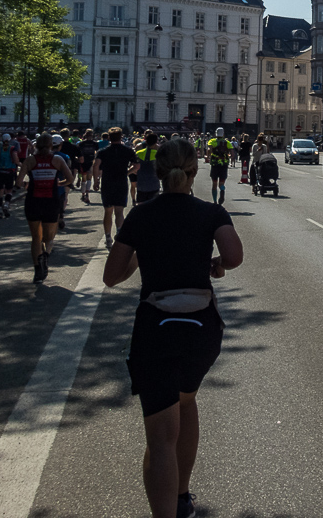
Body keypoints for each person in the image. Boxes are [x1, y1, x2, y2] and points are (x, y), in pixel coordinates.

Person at [103, 138, 243, 518]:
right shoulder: (211, 212)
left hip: (156, 328)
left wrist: (137, 259)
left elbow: (112, 276)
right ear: (194, 170)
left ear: (158, 171)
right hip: (201, 327)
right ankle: (182, 498)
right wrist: (216, 265)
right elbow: (233, 255)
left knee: (160, 438)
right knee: (187, 399)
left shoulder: (141, 215)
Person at [16, 132, 72, 283]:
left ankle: (37, 269)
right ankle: (45, 257)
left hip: (33, 201)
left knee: (36, 237)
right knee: (48, 236)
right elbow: (70, 178)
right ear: (50, 145)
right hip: (51, 201)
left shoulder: (29, 160)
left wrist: (28, 184)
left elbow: (19, 182)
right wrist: (58, 183)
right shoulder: (57, 159)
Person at [92, 127, 139, 247]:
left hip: (107, 183)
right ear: (121, 136)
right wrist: (127, 172)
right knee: (119, 211)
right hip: (121, 182)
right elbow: (137, 165)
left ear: (109, 137)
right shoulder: (128, 151)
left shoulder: (102, 151)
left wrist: (96, 180)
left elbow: (96, 165)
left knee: (108, 211)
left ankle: (108, 237)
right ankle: (119, 233)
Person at [0, 132, 20, 218]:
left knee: (0, 191)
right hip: (9, 171)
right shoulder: (12, 149)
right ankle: (6, 205)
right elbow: (15, 160)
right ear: (9, 140)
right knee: (9, 190)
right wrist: (21, 164)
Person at [134, 132, 162, 204]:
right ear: (156, 142)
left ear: (146, 141)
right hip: (154, 185)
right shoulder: (158, 154)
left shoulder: (139, 153)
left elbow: (134, 167)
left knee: (140, 208)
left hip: (141, 185)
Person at [206, 127, 230, 204]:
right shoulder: (227, 142)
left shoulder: (212, 141)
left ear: (216, 134)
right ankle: (222, 190)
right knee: (221, 183)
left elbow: (209, 149)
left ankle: (215, 201)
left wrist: (208, 156)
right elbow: (232, 153)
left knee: (214, 183)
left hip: (215, 164)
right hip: (224, 164)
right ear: (223, 134)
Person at [77, 129, 99, 203]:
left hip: (83, 162)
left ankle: (83, 195)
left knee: (84, 179)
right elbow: (97, 152)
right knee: (89, 179)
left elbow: (78, 153)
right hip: (91, 161)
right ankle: (87, 194)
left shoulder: (81, 143)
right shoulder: (94, 143)